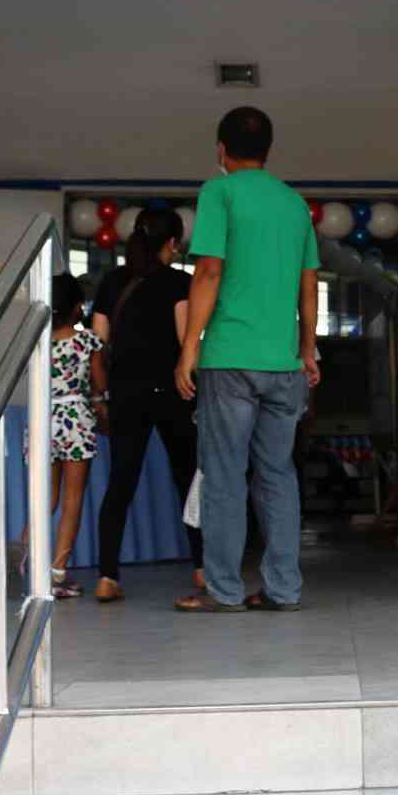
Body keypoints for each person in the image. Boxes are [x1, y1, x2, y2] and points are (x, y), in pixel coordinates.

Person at [174, 106, 321, 614]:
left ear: (221, 148)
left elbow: (208, 272)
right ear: (268, 150)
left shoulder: (219, 193)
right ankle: (283, 589)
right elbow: (308, 285)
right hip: (283, 364)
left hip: (231, 360)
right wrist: (306, 350)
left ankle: (224, 590)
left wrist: (189, 346)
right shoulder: (294, 205)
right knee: (277, 475)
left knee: (224, 475)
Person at [90, 207, 201, 602]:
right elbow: (186, 340)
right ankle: (203, 568)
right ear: (171, 243)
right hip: (172, 390)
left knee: (120, 483)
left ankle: (107, 576)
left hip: (125, 393)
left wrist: (101, 394)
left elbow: (98, 344)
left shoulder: (112, 282)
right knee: (188, 478)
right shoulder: (179, 282)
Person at [42, 274, 103, 600]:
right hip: (75, 420)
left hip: (43, 419)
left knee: (44, 498)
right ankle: (56, 573)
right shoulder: (87, 341)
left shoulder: (38, 343)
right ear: (77, 307)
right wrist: (103, 410)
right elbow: (99, 386)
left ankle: (24, 559)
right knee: (72, 500)